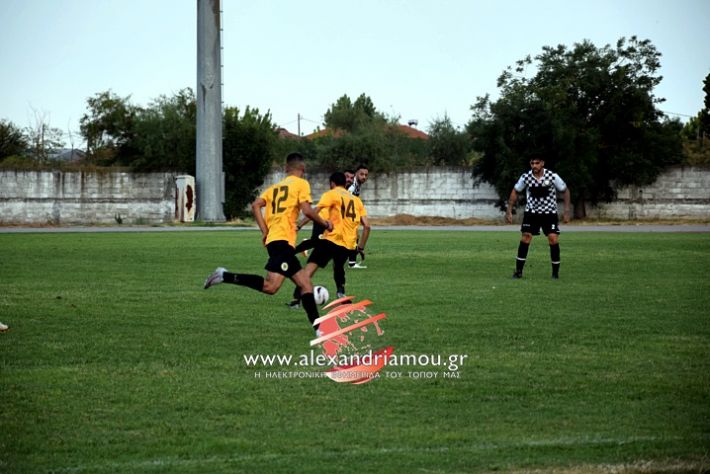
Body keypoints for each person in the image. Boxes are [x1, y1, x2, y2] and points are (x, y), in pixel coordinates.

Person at [203, 152, 332, 332]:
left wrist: (265, 231)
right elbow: (308, 212)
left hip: (275, 241)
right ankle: (319, 329)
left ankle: (223, 276)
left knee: (283, 286)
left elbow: (255, 205)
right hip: (282, 241)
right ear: (303, 168)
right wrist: (326, 223)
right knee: (292, 285)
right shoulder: (301, 184)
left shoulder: (274, 188)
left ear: (286, 168)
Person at [289, 172, 370, 308]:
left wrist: (299, 225)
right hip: (347, 244)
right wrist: (360, 248)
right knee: (338, 267)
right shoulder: (356, 201)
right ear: (345, 184)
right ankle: (341, 294)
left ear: (332, 183)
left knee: (309, 270)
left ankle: (297, 301)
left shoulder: (331, 194)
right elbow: (367, 226)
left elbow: (314, 211)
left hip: (331, 239)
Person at [505, 156, 571, 279]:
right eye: (532, 163)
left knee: (553, 239)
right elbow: (515, 191)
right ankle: (518, 271)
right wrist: (509, 210)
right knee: (526, 238)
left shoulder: (552, 176)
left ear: (542, 163)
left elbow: (565, 190)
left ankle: (555, 273)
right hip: (532, 213)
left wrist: (567, 211)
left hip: (549, 213)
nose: (534, 165)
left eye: (537, 163)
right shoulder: (526, 177)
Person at [347, 164, 369, 269]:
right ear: (356, 174)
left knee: (354, 235)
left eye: (366, 175)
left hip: (351, 213)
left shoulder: (357, 185)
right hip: (345, 215)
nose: (364, 177)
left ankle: (352, 262)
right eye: (361, 174)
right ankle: (352, 261)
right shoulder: (352, 187)